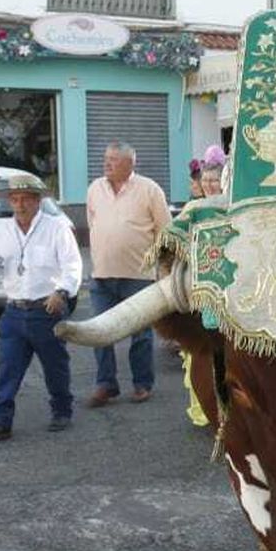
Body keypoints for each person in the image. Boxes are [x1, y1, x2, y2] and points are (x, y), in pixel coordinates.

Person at [0, 173, 81, 443]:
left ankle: (61, 409)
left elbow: (73, 266)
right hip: (14, 310)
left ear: (37, 201)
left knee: (55, 364)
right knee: (7, 367)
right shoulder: (3, 231)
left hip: (46, 307)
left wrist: (62, 292)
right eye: (14, 199)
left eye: (25, 200)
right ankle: (1, 420)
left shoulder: (56, 228)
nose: (19, 205)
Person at [84, 140, 171, 407]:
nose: (107, 163)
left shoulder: (149, 189)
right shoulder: (95, 189)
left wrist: (165, 267)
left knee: (141, 334)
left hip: (139, 276)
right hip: (102, 275)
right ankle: (106, 385)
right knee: (100, 331)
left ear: (130, 163)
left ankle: (142, 384)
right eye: (106, 158)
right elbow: (92, 224)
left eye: (114, 159)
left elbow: (165, 232)